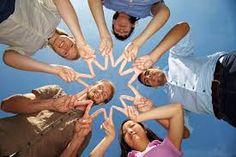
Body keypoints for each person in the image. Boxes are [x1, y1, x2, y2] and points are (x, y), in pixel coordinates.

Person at [134, 22, 236, 127]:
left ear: (155, 67)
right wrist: (152, 110)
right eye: (147, 81)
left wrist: (153, 55)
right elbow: (183, 132)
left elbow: (184, 27)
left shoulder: (175, 57)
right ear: (154, 87)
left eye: (147, 73)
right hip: (227, 108)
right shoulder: (174, 104)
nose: (149, 77)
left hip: (227, 69)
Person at [0, 81, 114, 156]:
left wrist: (77, 138)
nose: (99, 92)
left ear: (101, 104)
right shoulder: (55, 91)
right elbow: (7, 105)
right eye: (100, 87)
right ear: (92, 85)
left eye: (104, 94)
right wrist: (51, 104)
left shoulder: (85, 131)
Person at [0, 0, 95, 82]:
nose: (65, 47)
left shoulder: (30, 49)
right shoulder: (55, 16)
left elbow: (8, 58)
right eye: (71, 46)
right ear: (72, 38)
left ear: (58, 54)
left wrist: (56, 70)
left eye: (65, 53)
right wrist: (81, 43)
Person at [89, 103, 184, 157]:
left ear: (145, 130)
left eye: (132, 125)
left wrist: (139, 118)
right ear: (125, 142)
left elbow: (176, 110)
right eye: (124, 133)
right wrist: (109, 137)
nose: (130, 131)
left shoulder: (168, 146)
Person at [88, 0, 170, 59]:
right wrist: (137, 43)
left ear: (113, 22)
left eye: (117, 30)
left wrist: (104, 35)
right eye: (125, 32)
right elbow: (164, 12)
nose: (121, 30)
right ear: (132, 25)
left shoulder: (108, 3)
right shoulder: (145, 12)